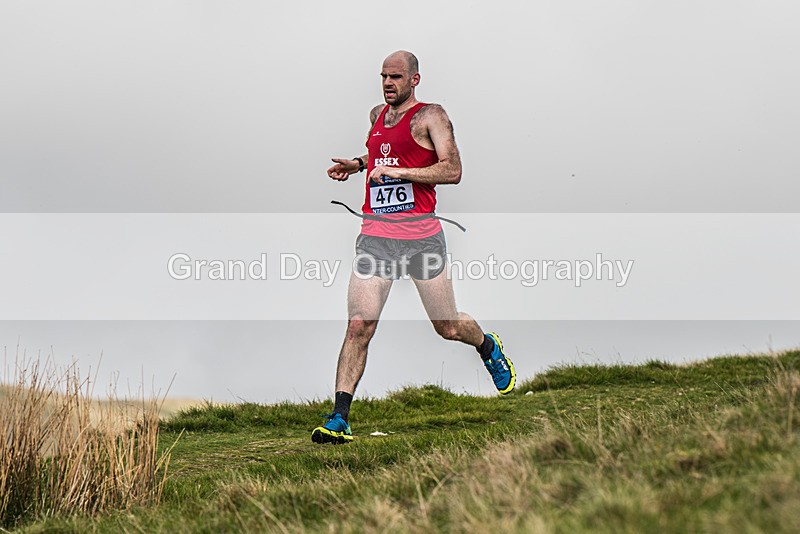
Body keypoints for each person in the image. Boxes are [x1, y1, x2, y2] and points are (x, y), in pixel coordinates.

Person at [313, 50, 516, 444]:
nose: (388, 83)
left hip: (422, 238)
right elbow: (381, 153)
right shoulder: (376, 115)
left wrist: (401, 172)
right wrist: (359, 164)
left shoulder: (432, 117)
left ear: (414, 80)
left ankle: (488, 345)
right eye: (383, 76)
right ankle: (339, 417)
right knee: (359, 325)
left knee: (448, 326)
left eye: (396, 77)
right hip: (377, 236)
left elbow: (452, 169)